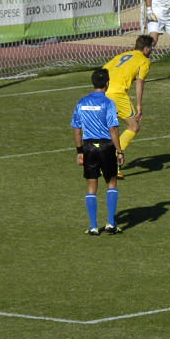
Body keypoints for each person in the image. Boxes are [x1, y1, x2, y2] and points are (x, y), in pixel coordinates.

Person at [71, 67, 124, 235]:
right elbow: (113, 129)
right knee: (112, 183)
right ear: (107, 84)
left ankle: (93, 226)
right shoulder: (108, 103)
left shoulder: (81, 102)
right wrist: (120, 151)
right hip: (106, 146)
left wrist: (80, 151)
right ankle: (110, 223)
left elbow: (77, 130)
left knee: (91, 185)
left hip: (88, 147)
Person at [102, 34, 155, 176]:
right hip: (117, 94)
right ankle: (111, 161)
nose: (151, 51)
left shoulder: (122, 55)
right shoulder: (144, 60)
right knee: (134, 126)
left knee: (109, 129)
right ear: (146, 49)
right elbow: (140, 82)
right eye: (151, 48)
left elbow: (103, 71)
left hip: (102, 91)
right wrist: (139, 106)